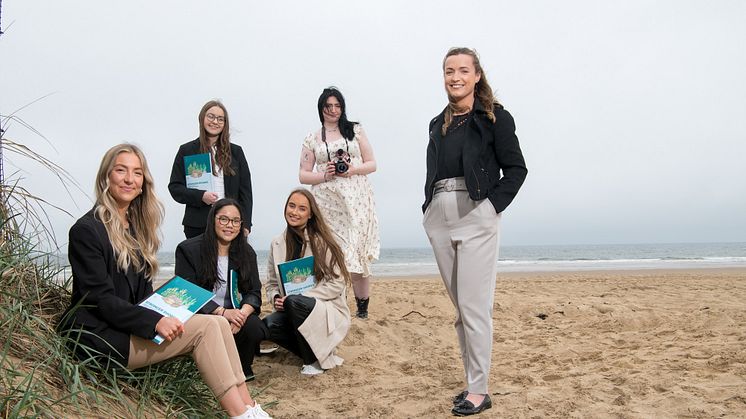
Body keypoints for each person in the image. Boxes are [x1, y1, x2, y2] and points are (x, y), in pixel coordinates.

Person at [58, 144, 270, 419]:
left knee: (217, 322)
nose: (128, 179)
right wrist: (155, 321)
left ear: (143, 183)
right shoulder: (87, 230)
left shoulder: (134, 230)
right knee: (206, 328)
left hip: (129, 329)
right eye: (120, 170)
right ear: (106, 177)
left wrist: (169, 307)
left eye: (136, 173)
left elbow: (143, 296)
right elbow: (101, 301)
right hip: (103, 339)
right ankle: (238, 414)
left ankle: (249, 407)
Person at [422, 48, 527, 416]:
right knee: (460, 309)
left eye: (463, 70)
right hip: (439, 214)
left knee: (474, 307)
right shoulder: (438, 123)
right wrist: (428, 211)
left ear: (477, 75)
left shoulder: (496, 118)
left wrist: (490, 209)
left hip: (477, 212)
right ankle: (472, 382)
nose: (455, 77)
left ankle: (479, 390)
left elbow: (516, 169)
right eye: (449, 71)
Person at [299, 87, 380, 319]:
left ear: (342, 107)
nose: (333, 110)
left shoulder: (355, 130)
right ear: (321, 109)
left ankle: (362, 308)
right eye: (328, 106)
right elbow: (303, 175)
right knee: (332, 254)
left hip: (357, 202)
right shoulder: (312, 138)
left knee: (357, 251)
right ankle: (336, 302)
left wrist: (351, 170)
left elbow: (372, 163)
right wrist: (326, 174)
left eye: (337, 106)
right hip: (327, 204)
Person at [175, 198, 269, 380]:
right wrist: (222, 313)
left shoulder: (246, 252)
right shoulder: (188, 250)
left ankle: (243, 368)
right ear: (212, 220)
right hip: (202, 314)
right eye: (223, 219)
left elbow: (254, 292)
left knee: (254, 326)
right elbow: (187, 292)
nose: (230, 226)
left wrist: (241, 314)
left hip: (234, 315)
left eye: (235, 221)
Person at [261, 188, 351, 375]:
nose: (294, 212)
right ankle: (312, 351)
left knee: (295, 301)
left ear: (310, 214)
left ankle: (313, 362)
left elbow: (337, 284)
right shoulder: (276, 243)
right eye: (291, 206)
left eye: (302, 208)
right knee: (269, 326)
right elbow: (270, 284)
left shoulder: (323, 242)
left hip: (323, 307)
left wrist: (302, 297)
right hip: (291, 308)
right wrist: (276, 297)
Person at [169, 100, 253, 239]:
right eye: (211, 116)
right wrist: (200, 196)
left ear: (225, 124)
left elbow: (246, 192)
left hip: (230, 224)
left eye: (220, 119)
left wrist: (246, 224)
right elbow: (175, 188)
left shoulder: (236, 152)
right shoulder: (187, 150)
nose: (215, 122)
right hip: (197, 224)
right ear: (202, 118)